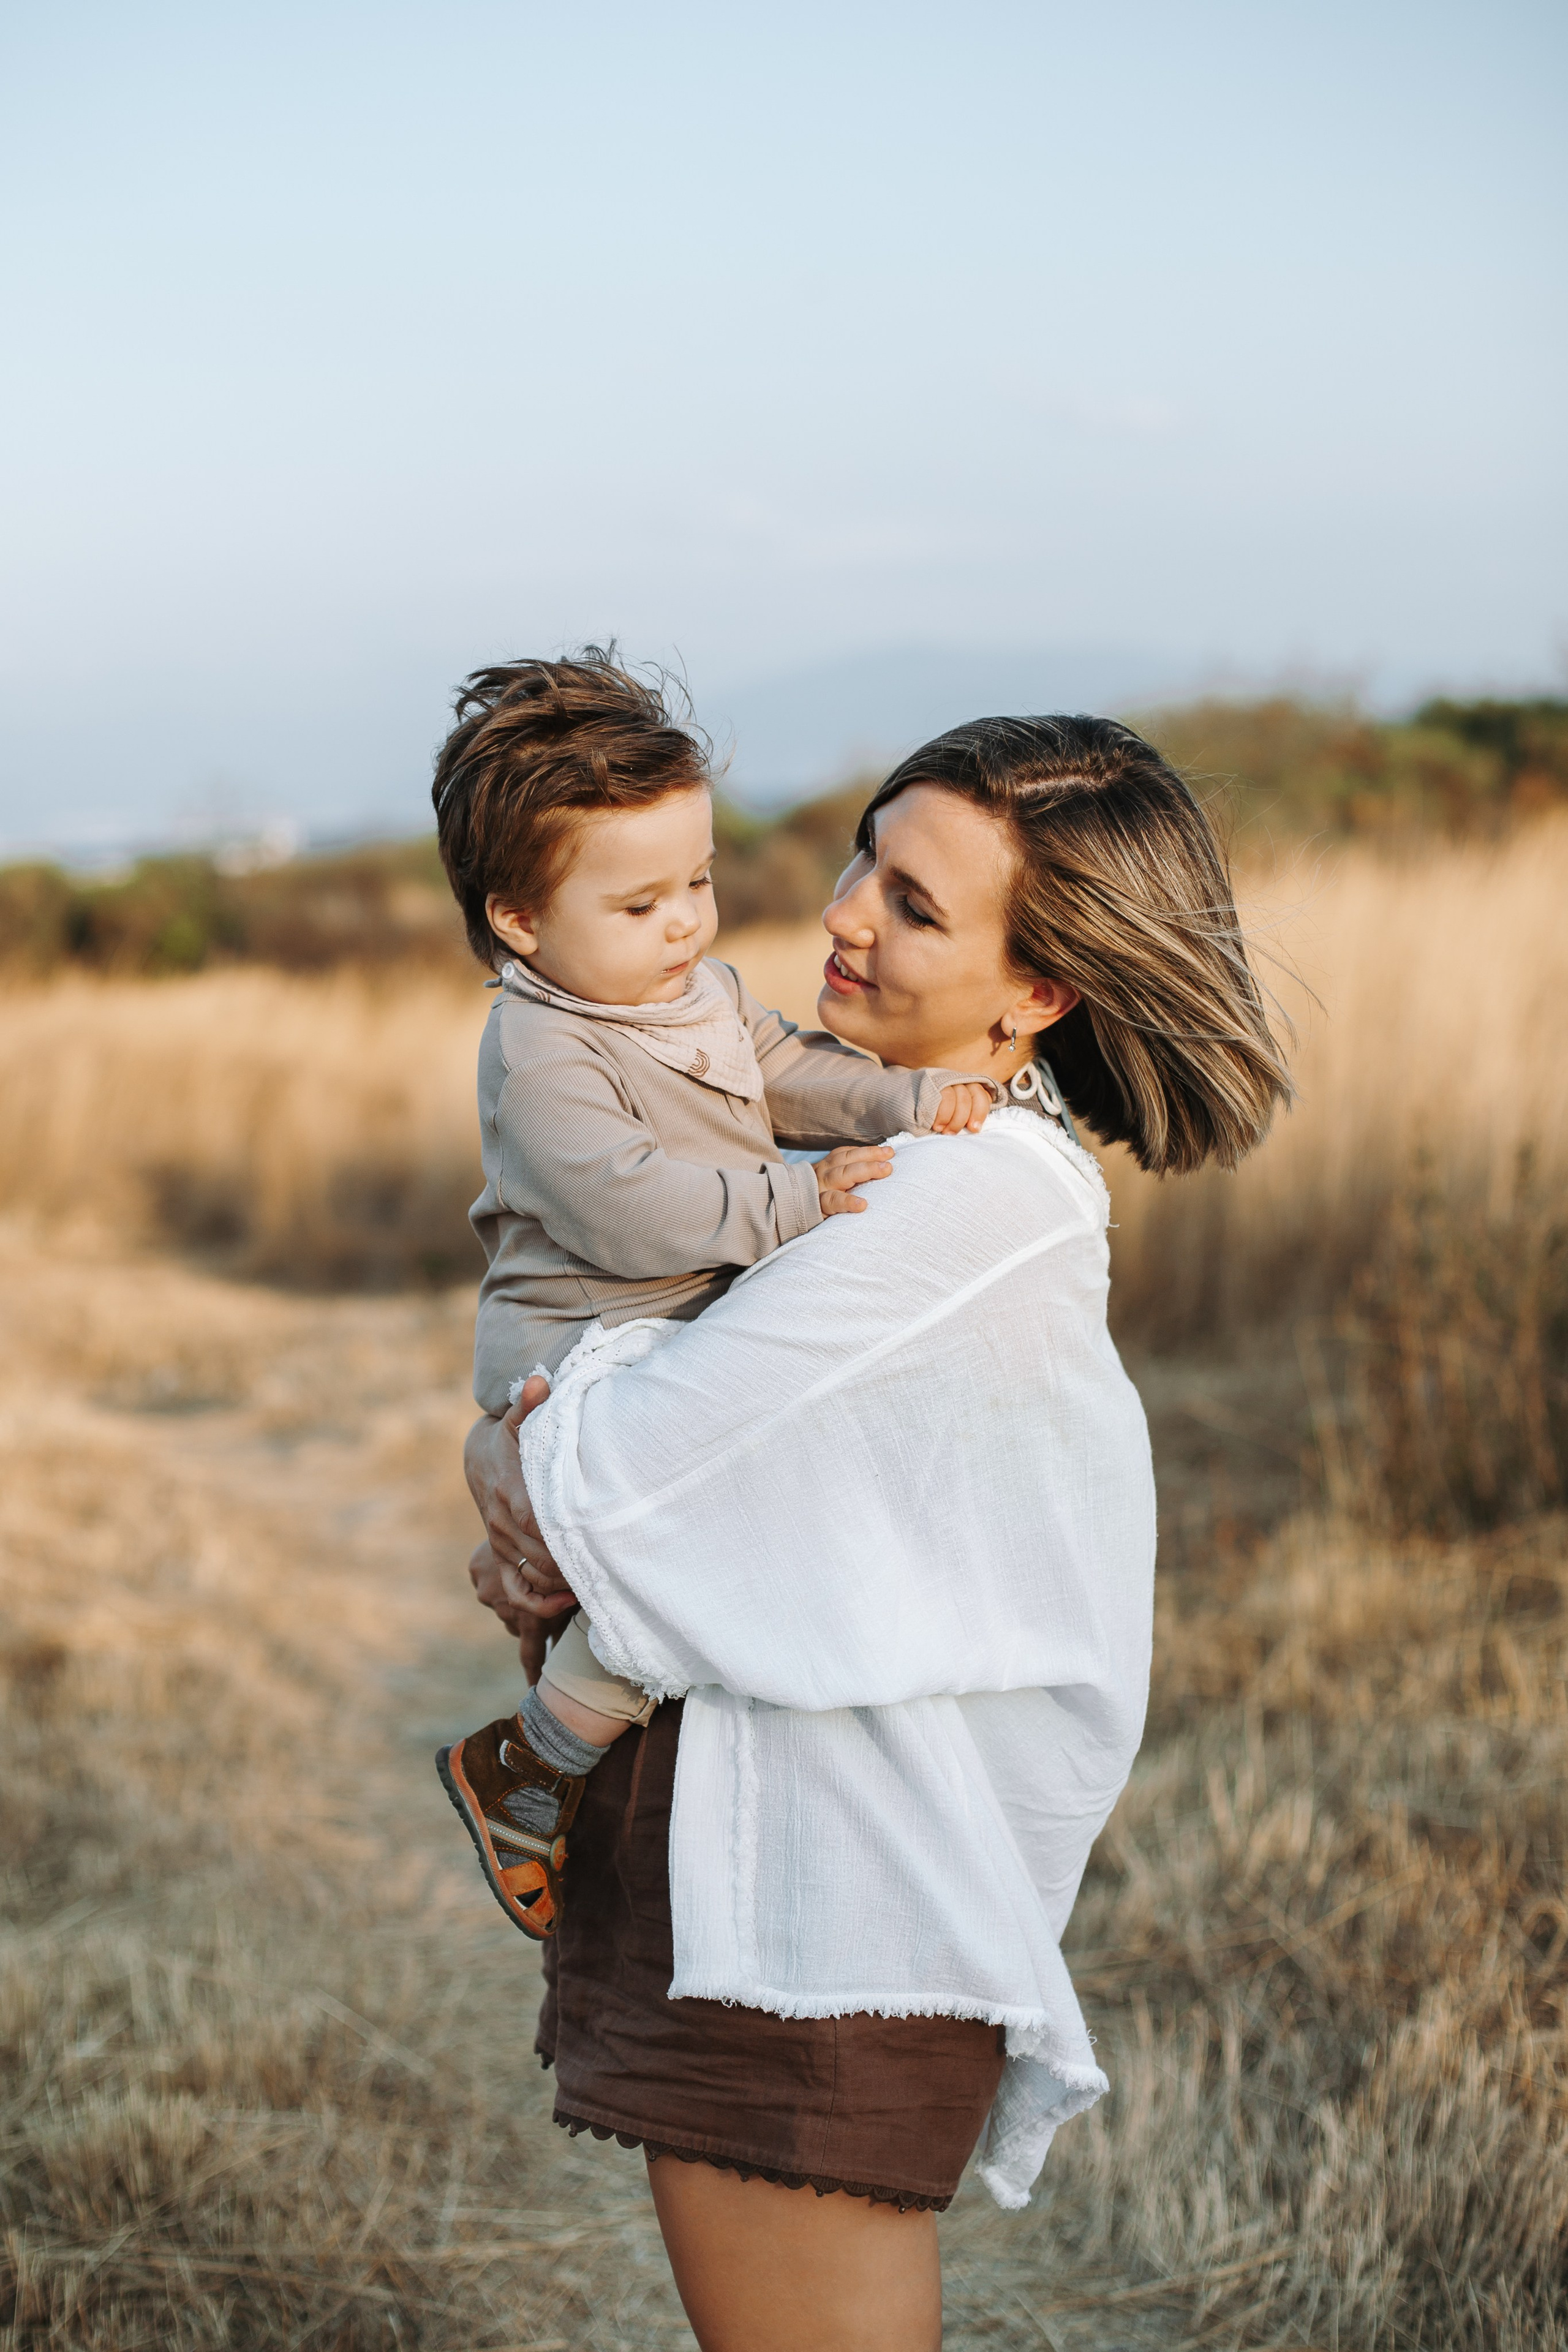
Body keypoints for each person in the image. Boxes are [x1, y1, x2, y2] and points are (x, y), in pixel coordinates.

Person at [464, 712, 1292, 2352]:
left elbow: (613, 1483)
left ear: (1038, 988)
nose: (843, 910)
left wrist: (517, 1455)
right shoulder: (877, 1153)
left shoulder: (963, 1199)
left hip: (808, 1917)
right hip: (758, 1878)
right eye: (865, 856)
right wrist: (533, 1467)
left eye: (915, 903)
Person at [428, 650, 1003, 1940]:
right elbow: (624, 1201)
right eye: (639, 906)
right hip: (586, 1345)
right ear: (521, 920)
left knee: (647, 1578)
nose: (687, 922)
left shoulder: (682, 990)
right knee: (675, 1555)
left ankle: (562, 1755)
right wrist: (791, 1202)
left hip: (672, 1325)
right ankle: (525, 1767)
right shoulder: (542, 1051)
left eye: (694, 881)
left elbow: (786, 1069)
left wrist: (906, 1101)